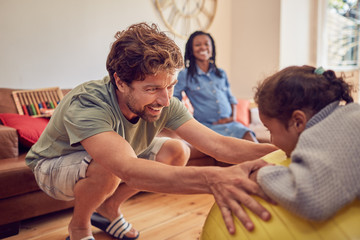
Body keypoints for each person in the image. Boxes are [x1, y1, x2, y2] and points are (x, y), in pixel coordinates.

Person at [25, 23, 277, 240]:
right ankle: (79, 226)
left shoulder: (165, 99)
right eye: (152, 89)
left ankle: (108, 208)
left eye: (171, 86)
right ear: (120, 82)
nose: (166, 100)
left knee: (178, 150)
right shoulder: (88, 102)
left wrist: (284, 152)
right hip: (51, 166)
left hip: (110, 159)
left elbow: (220, 145)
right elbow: (127, 168)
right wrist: (214, 179)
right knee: (108, 167)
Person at [250, 65, 360, 221]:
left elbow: (311, 201)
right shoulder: (345, 117)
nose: (271, 140)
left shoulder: (331, 133)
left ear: (298, 122)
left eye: (270, 131)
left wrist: (261, 174)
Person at [174, 31, 257, 142]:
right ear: (191, 50)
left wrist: (232, 117)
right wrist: (187, 122)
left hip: (231, 124)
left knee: (250, 138)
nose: (203, 47)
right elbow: (175, 99)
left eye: (206, 44)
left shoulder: (221, 73)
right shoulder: (186, 75)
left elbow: (231, 98)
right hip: (206, 127)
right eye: (198, 45)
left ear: (212, 48)